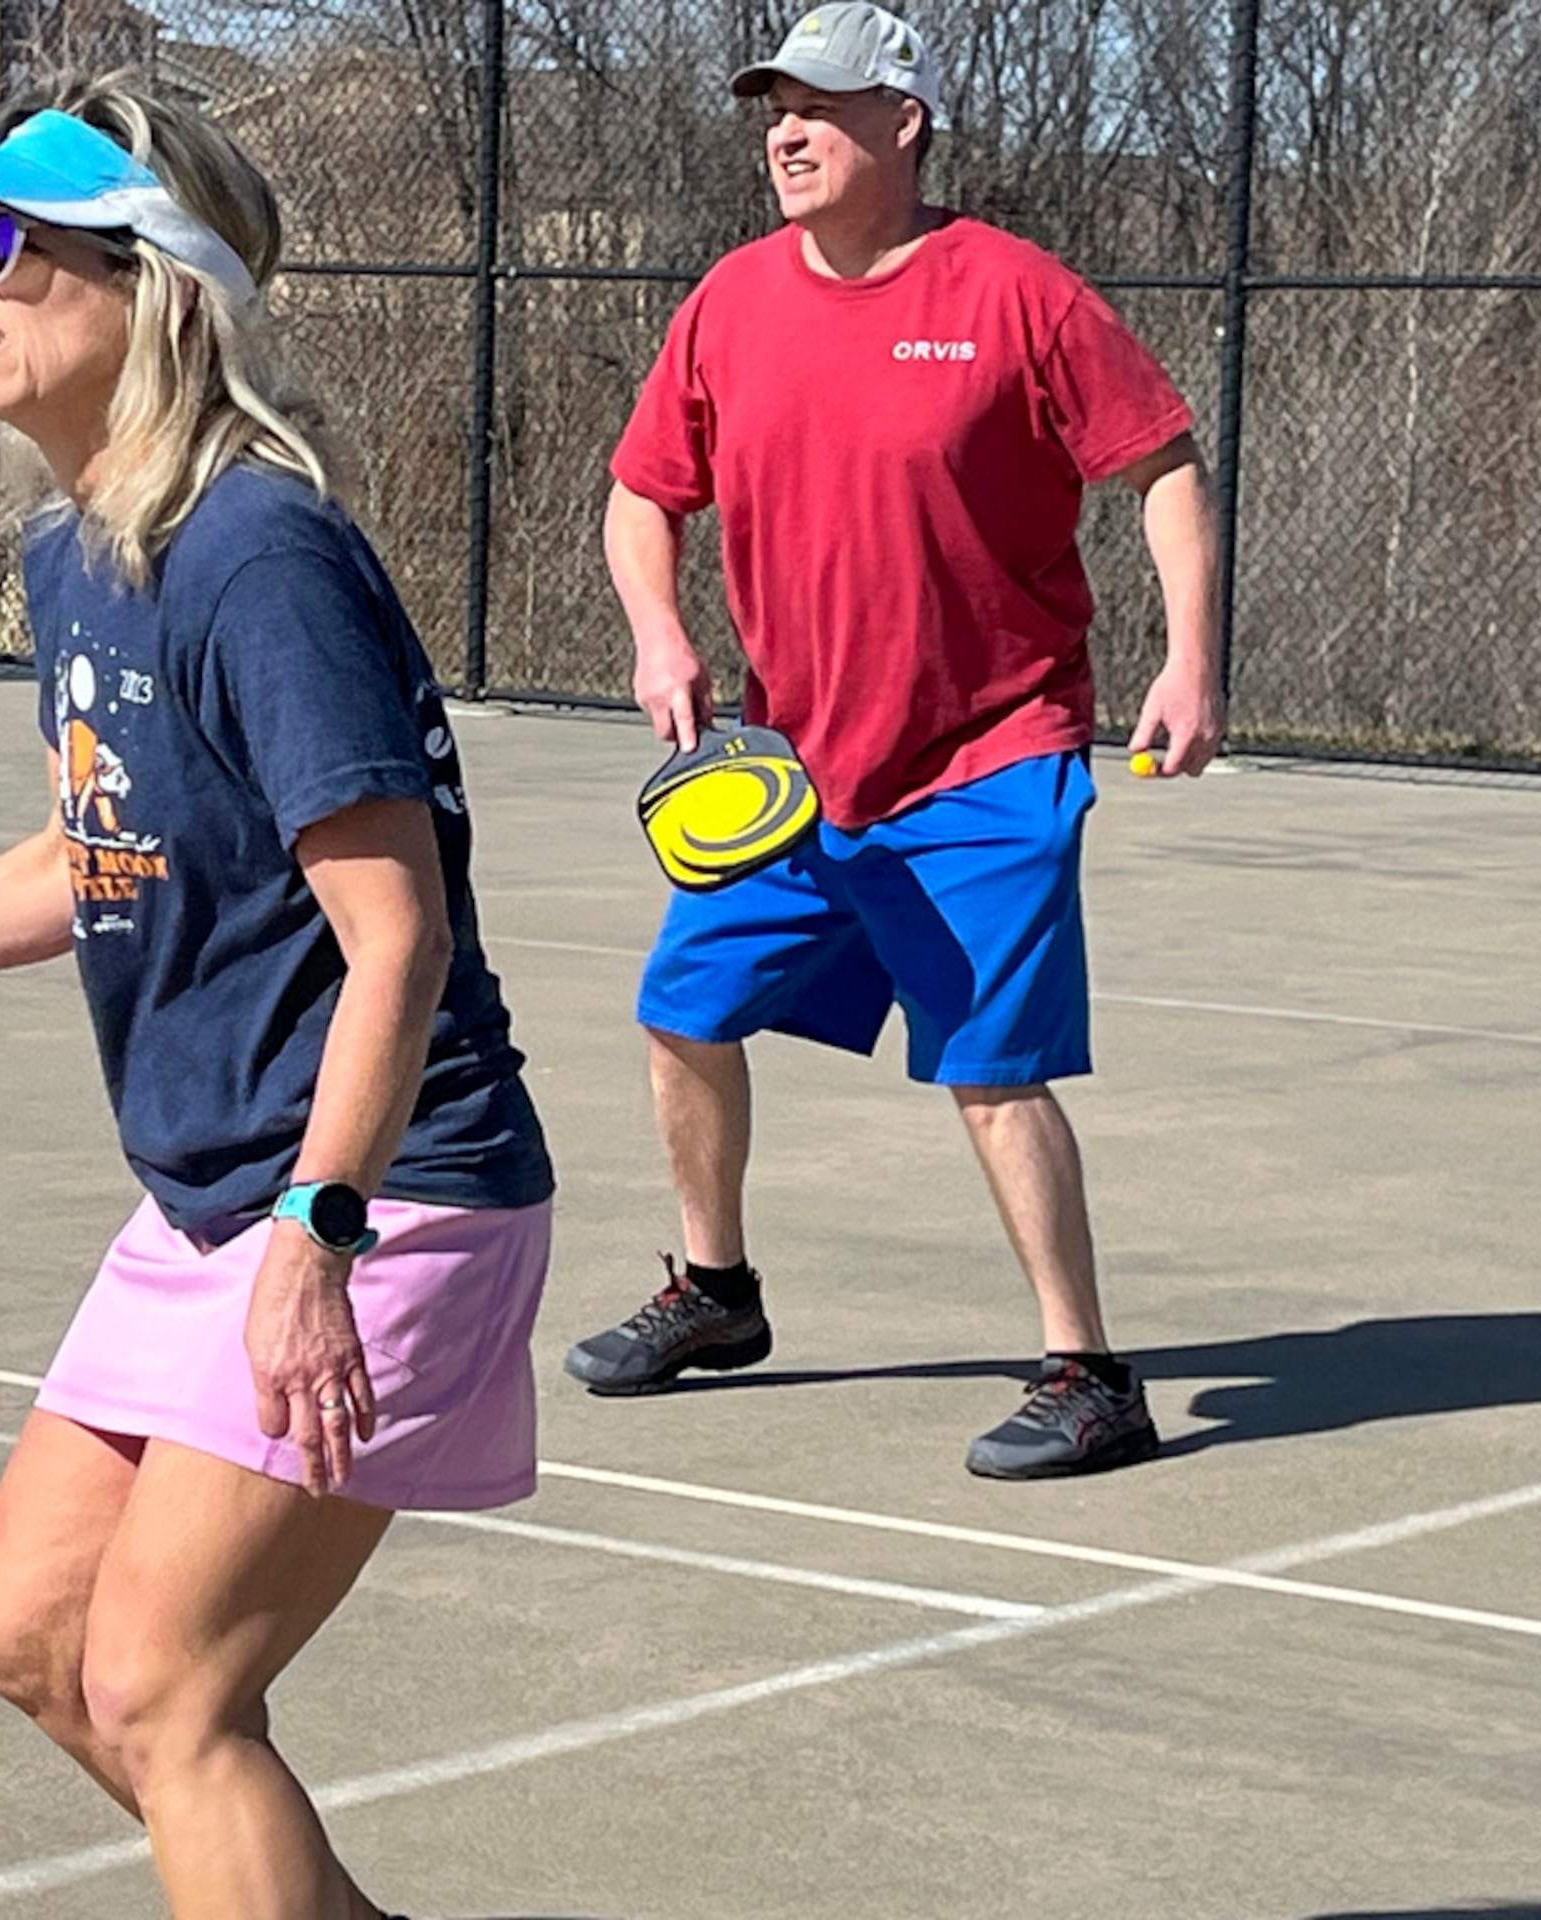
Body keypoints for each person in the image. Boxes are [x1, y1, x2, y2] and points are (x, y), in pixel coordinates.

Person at [0, 76, 554, 1920]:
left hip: (382, 1191)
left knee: (168, 1691)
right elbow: (102, 842)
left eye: (5, 244)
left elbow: (400, 937)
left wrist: (320, 1230)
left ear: (155, 285)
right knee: (37, 1639)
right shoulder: (80, 549)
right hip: (209, 1195)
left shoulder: (258, 555)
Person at [562, 2, 1225, 1479]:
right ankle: (717, 1294)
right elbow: (639, 493)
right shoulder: (730, 302)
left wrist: (1192, 660)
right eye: (773, 108)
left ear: (903, 123)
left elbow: (1162, 465)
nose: (784, 132)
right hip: (796, 766)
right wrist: (658, 632)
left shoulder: (1018, 294)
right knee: (683, 1013)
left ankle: (1090, 1372)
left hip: (989, 754)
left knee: (991, 1070)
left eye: (820, 106)